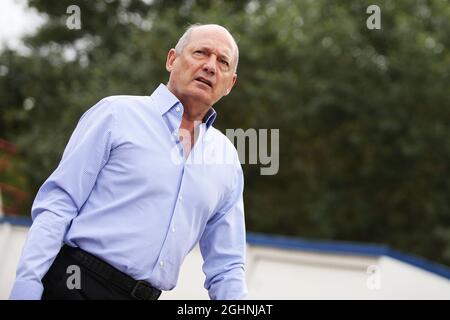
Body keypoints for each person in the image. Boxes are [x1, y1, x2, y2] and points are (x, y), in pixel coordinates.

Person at [10, 23, 247, 300]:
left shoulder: (227, 159)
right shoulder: (116, 115)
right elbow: (59, 203)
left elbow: (227, 265)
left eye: (222, 62)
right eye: (201, 53)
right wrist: (27, 283)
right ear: (172, 60)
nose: (210, 66)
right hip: (75, 285)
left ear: (230, 84)